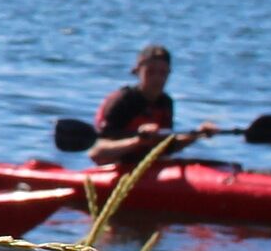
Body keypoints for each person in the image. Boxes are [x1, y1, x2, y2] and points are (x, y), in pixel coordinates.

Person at [88, 43, 223, 173]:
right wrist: (138, 141)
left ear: (169, 74)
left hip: (148, 170)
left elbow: (166, 147)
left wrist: (197, 135)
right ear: (137, 71)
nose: (157, 79)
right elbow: (96, 153)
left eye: (162, 73)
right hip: (115, 169)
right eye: (150, 72)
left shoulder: (165, 102)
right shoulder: (121, 102)